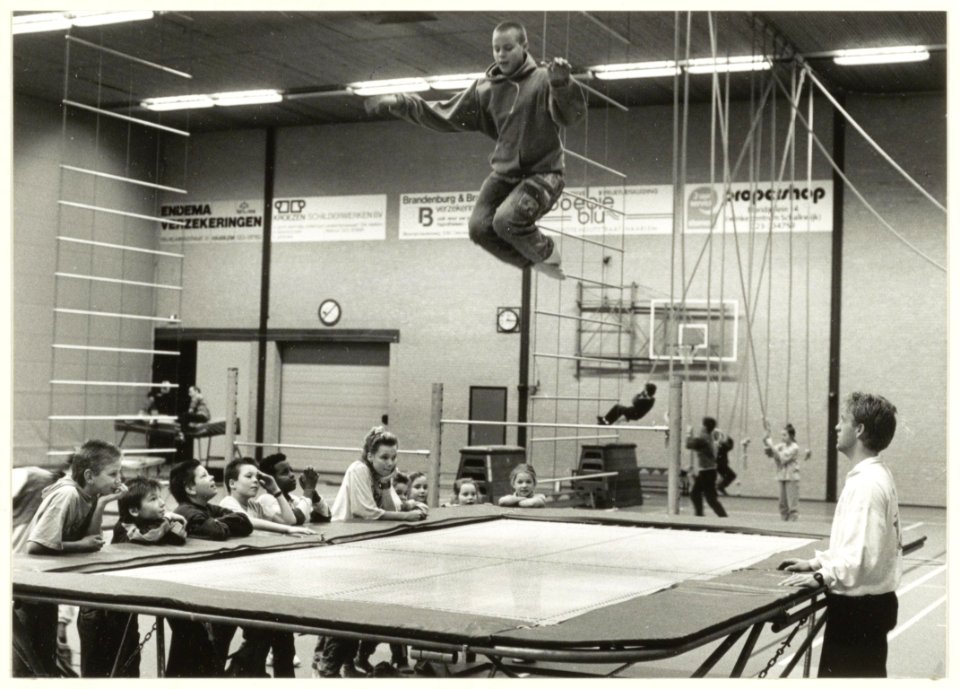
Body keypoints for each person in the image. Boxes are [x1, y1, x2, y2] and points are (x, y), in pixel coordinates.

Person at [365, 20, 586, 280]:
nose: (501, 55)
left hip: (544, 172)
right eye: (496, 49)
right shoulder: (485, 89)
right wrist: (400, 103)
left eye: (508, 48)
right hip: (505, 174)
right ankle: (530, 263)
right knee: (478, 228)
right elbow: (443, 114)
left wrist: (562, 85)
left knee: (505, 221)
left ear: (524, 47)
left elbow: (571, 117)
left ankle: (545, 251)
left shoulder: (542, 80)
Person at [779, 392, 901, 678]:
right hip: (868, 610)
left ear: (859, 430)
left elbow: (860, 556)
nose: (836, 427)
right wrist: (817, 563)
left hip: (858, 614)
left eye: (842, 420)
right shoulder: (874, 476)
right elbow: (857, 545)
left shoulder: (867, 485)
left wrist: (823, 577)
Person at [316, 427, 429, 678]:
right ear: (369, 456)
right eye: (384, 458)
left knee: (367, 610)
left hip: (367, 548)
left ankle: (346, 665)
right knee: (349, 613)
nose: (390, 463)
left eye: (394, 457)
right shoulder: (358, 470)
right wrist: (407, 515)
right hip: (345, 546)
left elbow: (392, 506)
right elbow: (365, 511)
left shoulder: (381, 476)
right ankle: (326, 667)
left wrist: (404, 500)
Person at [13, 440, 126, 678]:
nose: (119, 480)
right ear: (89, 475)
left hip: (47, 587)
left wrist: (103, 503)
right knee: (27, 663)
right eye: (113, 474)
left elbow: (93, 540)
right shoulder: (67, 494)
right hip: (28, 587)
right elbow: (36, 546)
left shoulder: (92, 495)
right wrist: (79, 545)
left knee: (43, 661)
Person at [77, 476, 188, 677]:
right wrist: (169, 521)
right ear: (135, 511)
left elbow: (179, 535)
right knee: (98, 669)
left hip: (121, 608)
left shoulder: (152, 522)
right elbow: (150, 537)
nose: (162, 503)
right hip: (98, 608)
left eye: (160, 498)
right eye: (153, 499)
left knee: (128, 664)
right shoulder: (126, 528)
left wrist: (169, 520)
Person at [167, 459, 254, 677]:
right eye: (204, 475)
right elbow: (216, 532)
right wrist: (221, 524)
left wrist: (221, 523)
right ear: (190, 488)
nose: (212, 477)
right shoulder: (187, 511)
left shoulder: (205, 508)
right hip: (186, 591)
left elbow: (245, 522)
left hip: (206, 586)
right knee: (196, 649)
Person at [218, 457, 317, 536]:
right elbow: (246, 521)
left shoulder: (256, 506)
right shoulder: (227, 502)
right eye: (249, 476)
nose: (255, 480)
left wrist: (276, 491)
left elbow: (289, 521)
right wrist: (288, 530)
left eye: (257, 477)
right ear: (232, 483)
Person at [763, 422, 810, 521]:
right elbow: (771, 452)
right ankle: (784, 524)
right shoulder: (782, 446)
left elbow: (783, 458)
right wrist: (766, 439)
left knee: (792, 505)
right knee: (782, 504)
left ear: (791, 436)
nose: (782, 437)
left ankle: (793, 524)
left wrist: (771, 446)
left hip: (792, 477)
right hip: (782, 476)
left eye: (785, 435)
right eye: (781, 435)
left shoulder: (794, 447)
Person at [685, 417, 727, 517]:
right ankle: (699, 515)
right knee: (695, 494)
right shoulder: (708, 436)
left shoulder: (703, 438)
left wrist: (688, 432)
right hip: (706, 471)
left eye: (702, 425)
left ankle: (723, 517)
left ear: (704, 426)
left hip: (707, 472)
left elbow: (688, 445)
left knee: (711, 499)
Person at [714, 428, 737, 496]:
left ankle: (719, 486)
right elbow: (729, 447)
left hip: (718, 464)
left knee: (726, 476)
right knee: (731, 475)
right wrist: (730, 440)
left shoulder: (717, 444)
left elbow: (728, 447)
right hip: (721, 464)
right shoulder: (720, 444)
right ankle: (720, 487)